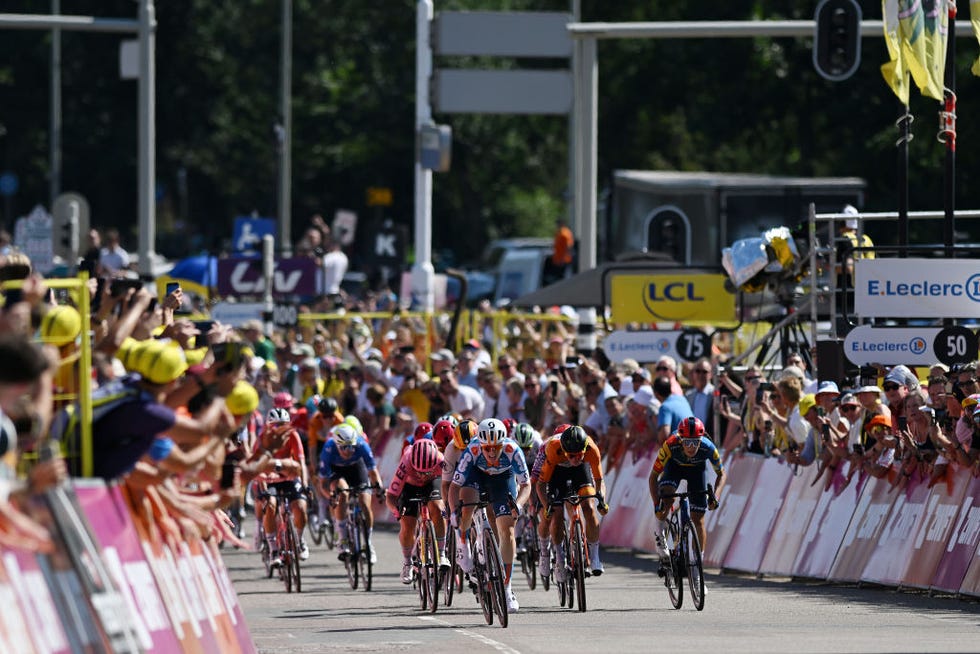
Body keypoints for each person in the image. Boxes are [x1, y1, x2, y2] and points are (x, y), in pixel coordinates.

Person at [448, 418, 531, 614]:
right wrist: (453, 512)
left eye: (496, 447)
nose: (492, 452)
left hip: (503, 478)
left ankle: (508, 587)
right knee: (467, 506)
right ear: (481, 445)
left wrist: (518, 505)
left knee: (507, 529)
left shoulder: (513, 450)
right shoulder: (473, 450)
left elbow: (526, 485)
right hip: (477, 475)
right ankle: (463, 544)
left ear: (503, 443)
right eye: (488, 448)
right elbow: (454, 487)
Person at [649, 417, 725, 565]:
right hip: (674, 468)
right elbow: (653, 477)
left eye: (696, 442)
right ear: (680, 439)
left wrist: (715, 496)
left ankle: (697, 566)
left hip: (697, 471)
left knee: (698, 519)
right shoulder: (670, 444)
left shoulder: (708, 447)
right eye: (687, 442)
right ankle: (660, 533)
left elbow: (722, 474)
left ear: (701, 439)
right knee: (667, 497)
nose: (691, 447)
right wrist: (656, 504)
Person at [535, 425, 608, 579]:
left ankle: (595, 557)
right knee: (556, 515)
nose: (575, 459)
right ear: (564, 450)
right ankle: (559, 560)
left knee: (589, 507)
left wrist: (602, 499)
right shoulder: (553, 449)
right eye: (571, 456)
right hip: (557, 473)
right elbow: (540, 485)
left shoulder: (591, 448)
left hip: (581, 472)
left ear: (584, 449)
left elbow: (599, 480)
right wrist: (547, 506)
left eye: (579, 455)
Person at [318, 422, 385, 563]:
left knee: (365, 503)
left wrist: (378, 488)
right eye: (344, 447)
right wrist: (329, 496)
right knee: (342, 493)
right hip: (337, 471)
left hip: (356, 468)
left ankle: (368, 543)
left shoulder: (361, 445)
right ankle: (342, 538)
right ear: (336, 445)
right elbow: (323, 483)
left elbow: (373, 472)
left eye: (351, 447)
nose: (348, 451)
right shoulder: (329, 448)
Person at [385, 439, 449, 584]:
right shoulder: (406, 460)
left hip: (433, 482)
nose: (422, 475)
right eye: (419, 471)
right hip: (409, 486)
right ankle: (407, 562)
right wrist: (397, 512)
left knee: (438, 508)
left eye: (427, 471)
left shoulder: (441, 461)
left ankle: (442, 553)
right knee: (407, 525)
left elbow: (450, 487)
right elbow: (391, 496)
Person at [252, 407, 310, 565]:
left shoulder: (293, 435)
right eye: (276, 426)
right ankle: (273, 549)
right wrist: (263, 487)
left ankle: (298, 540)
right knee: (270, 505)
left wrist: (304, 483)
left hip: (288, 476)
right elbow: (256, 467)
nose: (280, 429)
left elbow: (301, 462)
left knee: (301, 507)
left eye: (283, 425)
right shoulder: (262, 438)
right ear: (269, 426)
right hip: (268, 478)